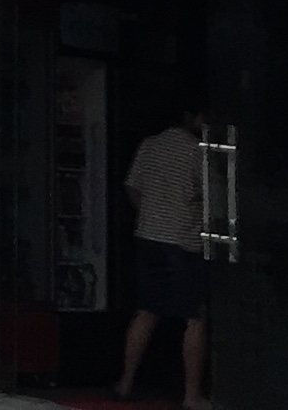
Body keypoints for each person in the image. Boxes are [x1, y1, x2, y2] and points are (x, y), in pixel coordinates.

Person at [119, 101, 212, 407]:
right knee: (194, 317)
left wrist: (150, 213)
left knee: (146, 310)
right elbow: (212, 196)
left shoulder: (150, 145)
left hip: (147, 236)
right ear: (190, 116)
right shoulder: (198, 151)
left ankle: (125, 382)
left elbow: (132, 187)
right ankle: (191, 394)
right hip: (183, 240)